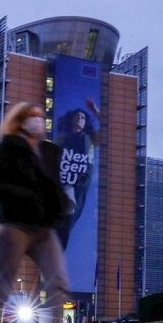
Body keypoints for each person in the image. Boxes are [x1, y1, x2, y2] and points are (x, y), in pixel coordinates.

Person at [0, 101, 90, 323]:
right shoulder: (7, 148)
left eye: (42, 116)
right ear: (20, 121)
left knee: (59, 283)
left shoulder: (49, 151)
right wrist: (22, 196)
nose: (39, 121)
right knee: (2, 288)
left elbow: (53, 186)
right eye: (33, 117)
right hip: (14, 225)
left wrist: (60, 206)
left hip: (43, 229)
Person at [54, 97, 101, 250]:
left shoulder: (91, 139)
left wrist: (94, 110)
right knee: (66, 190)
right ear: (72, 119)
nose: (80, 118)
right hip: (66, 171)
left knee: (76, 201)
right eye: (78, 116)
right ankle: (66, 200)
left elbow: (109, 124)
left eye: (83, 117)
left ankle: (70, 208)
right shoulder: (63, 138)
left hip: (83, 174)